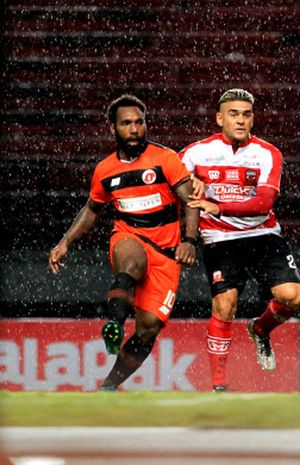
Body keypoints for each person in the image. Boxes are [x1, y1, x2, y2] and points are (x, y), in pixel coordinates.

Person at [48, 94, 199, 391]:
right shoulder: (105, 170)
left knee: (148, 329)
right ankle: (115, 323)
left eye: (139, 122)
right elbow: (92, 209)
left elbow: (191, 200)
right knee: (131, 258)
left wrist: (190, 240)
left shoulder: (166, 159)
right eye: (126, 123)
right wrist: (65, 241)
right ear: (113, 129)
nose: (134, 129)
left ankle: (108, 387)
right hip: (130, 236)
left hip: (167, 254)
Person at [181, 88, 300, 392]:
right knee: (225, 305)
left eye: (246, 114)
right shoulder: (195, 153)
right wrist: (188, 192)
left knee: (293, 297)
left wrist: (218, 205)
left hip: (262, 234)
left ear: (252, 119)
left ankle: (260, 329)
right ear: (219, 118)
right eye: (233, 114)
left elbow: (263, 205)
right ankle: (219, 386)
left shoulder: (268, 153)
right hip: (219, 238)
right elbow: (175, 188)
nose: (240, 120)